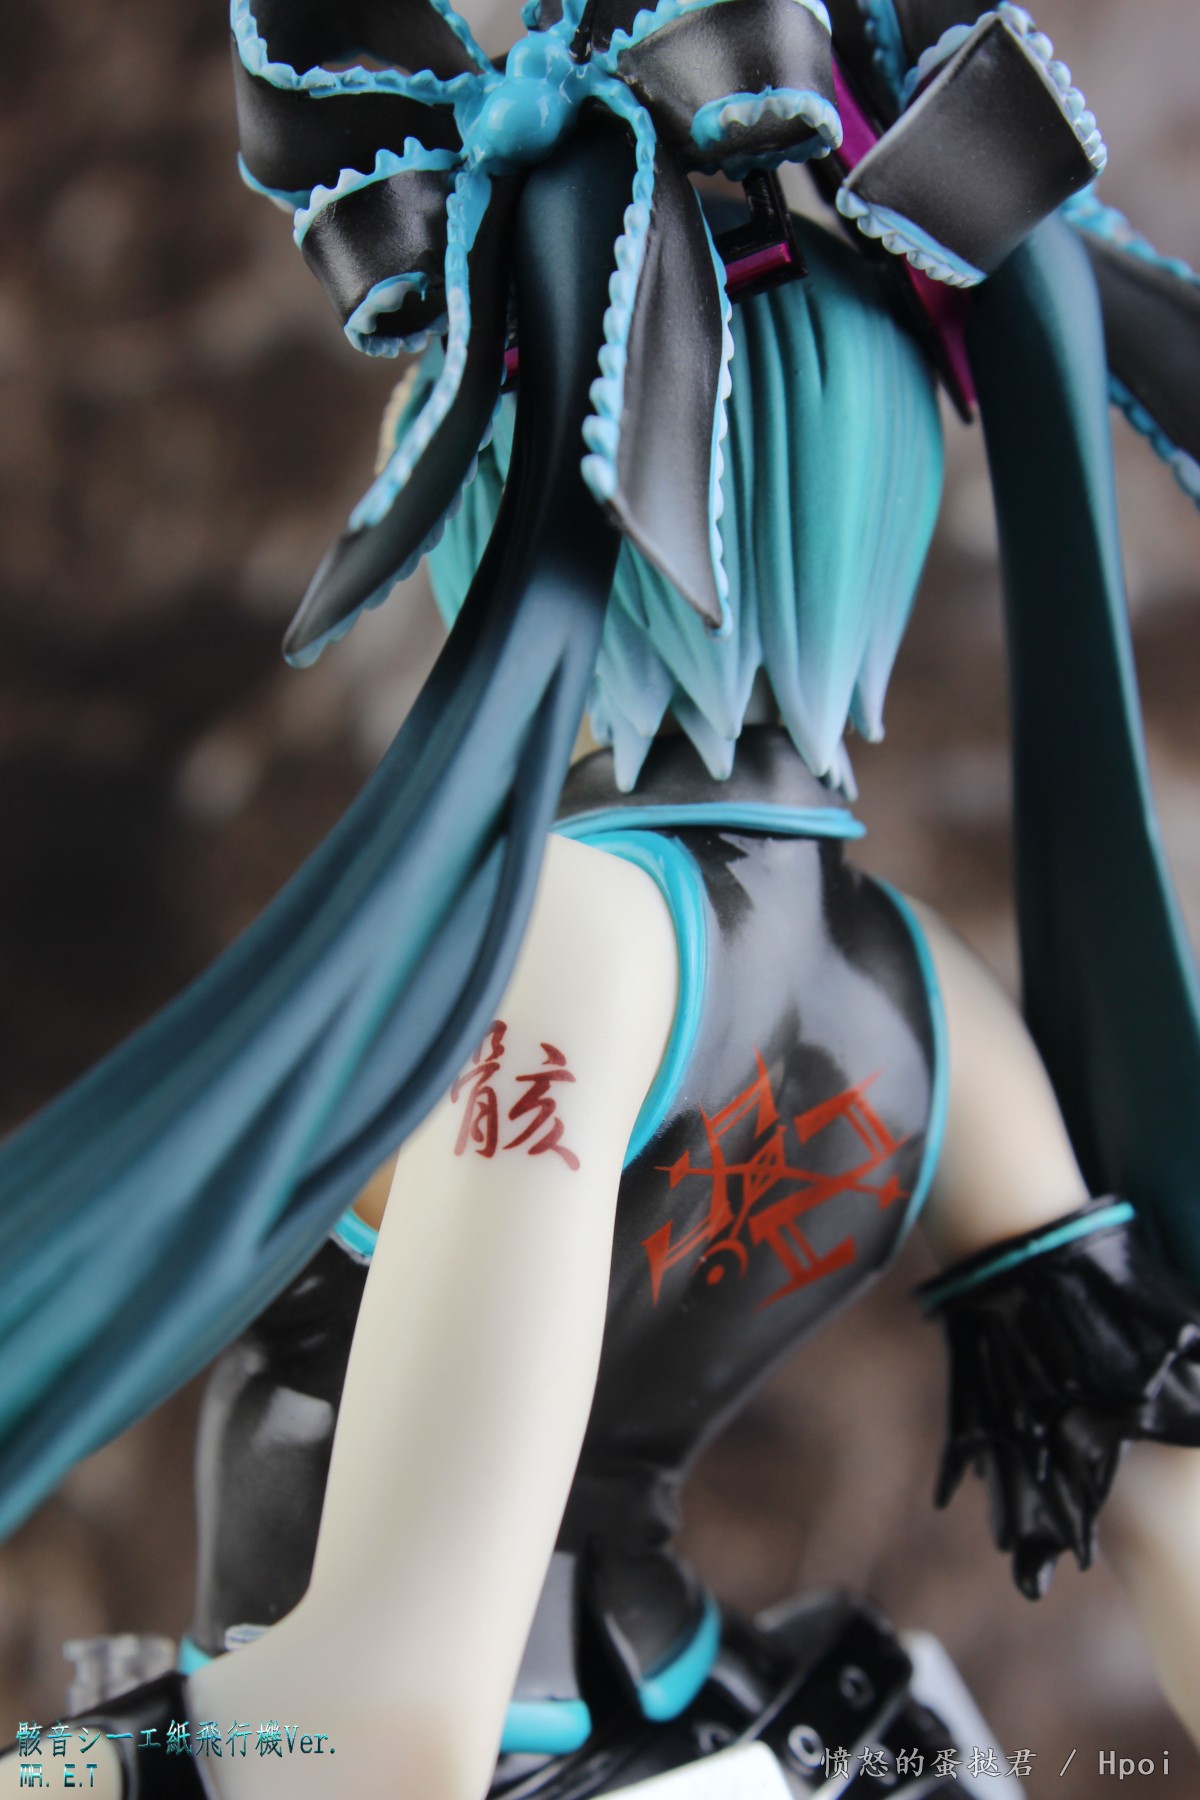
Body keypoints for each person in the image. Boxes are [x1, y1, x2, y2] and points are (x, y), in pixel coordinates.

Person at [3, 0, 1200, 1793]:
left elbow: (391, 1725)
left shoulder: (573, 948)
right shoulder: (920, 992)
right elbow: (1178, 1506)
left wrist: (54, 1772)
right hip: (720, 1718)